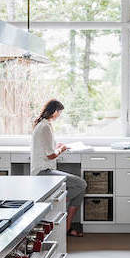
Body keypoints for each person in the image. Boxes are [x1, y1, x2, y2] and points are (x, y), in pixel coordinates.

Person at [31, 99, 87, 237]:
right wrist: (61, 149)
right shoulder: (45, 127)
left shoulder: (44, 125)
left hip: (46, 169)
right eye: (60, 112)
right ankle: (56, 204)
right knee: (81, 184)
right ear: (55, 111)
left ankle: (66, 227)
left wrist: (57, 147)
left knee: (79, 190)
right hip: (43, 172)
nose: (59, 115)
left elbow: (47, 149)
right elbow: (50, 155)